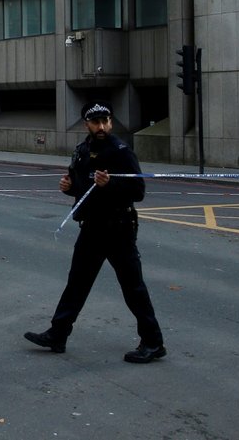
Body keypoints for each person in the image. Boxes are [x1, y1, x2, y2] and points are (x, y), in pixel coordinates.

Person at [25, 101, 166, 363]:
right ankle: (58, 334)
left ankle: (153, 342)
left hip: (119, 230)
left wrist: (110, 184)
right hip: (91, 228)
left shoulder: (121, 152)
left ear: (111, 123)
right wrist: (67, 187)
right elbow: (80, 187)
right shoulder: (82, 150)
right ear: (86, 124)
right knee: (76, 284)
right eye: (95, 122)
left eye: (105, 121)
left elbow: (138, 192)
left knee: (132, 287)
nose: (101, 126)